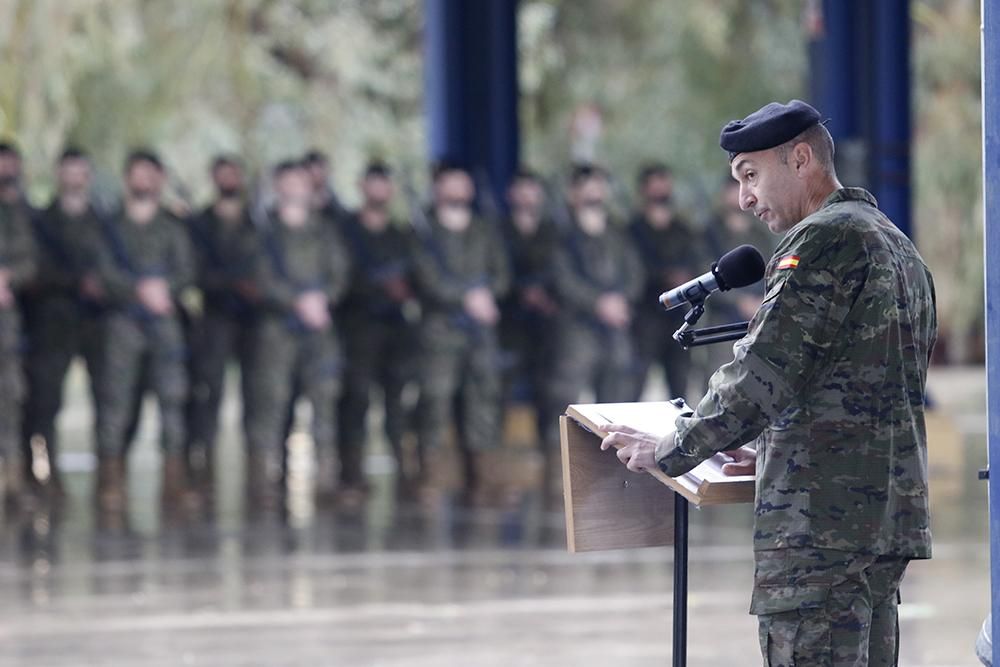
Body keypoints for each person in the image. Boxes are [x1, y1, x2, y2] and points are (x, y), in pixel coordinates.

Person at [600, 100, 936, 665]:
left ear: (801, 159)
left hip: (820, 528)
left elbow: (761, 373)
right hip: (881, 519)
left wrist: (669, 448)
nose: (744, 198)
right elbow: (862, 384)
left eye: (751, 175)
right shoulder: (896, 245)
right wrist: (775, 446)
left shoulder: (823, 241)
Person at [93, 149, 196, 513]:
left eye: (151, 174)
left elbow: (186, 270)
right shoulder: (110, 226)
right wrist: (138, 290)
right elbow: (103, 272)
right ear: (127, 179)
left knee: (172, 399)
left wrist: (164, 290)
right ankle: (110, 480)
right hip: (123, 323)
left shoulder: (172, 227)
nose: (145, 181)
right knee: (116, 402)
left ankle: (175, 482)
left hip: (164, 325)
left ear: (160, 180)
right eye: (138, 174)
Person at [243, 160, 349, 510]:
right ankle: (265, 484)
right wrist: (296, 301)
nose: (294, 188)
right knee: (271, 406)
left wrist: (322, 299)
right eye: (287, 182)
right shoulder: (263, 232)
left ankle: (327, 482)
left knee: (325, 403)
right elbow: (259, 277)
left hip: (320, 331)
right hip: (277, 331)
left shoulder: (325, 232)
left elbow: (339, 274)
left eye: (300, 181)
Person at [410, 162, 510, 505]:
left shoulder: (484, 229)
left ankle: (483, 482)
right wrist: (466, 297)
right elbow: (425, 278)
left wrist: (486, 295)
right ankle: (431, 479)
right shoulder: (423, 231)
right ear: (437, 188)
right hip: (440, 332)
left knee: (483, 401)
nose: (458, 190)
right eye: (451, 183)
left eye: (462, 183)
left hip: (480, 333)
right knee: (435, 402)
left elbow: (501, 274)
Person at [542, 163, 643, 496]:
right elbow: (561, 278)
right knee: (565, 397)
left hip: (614, 329)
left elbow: (634, 272)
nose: (595, 193)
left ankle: (613, 473)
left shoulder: (616, 230)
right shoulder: (559, 232)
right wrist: (598, 303)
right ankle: (559, 472)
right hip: (577, 330)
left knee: (616, 399)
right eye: (587, 186)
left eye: (600, 185)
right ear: (573, 193)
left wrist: (620, 300)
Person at [21, 148, 105, 500]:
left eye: (80, 172)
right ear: (59, 175)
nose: (75, 178)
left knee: (108, 397)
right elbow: (32, 269)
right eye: (68, 171)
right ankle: (42, 471)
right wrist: (72, 283)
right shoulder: (41, 222)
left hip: (96, 321)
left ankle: (107, 475)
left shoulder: (104, 224)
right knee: (45, 400)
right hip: (52, 320)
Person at [335, 161, 418, 504]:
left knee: (396, 403)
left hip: (395, 331)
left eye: (386, 184)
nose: (380, 190)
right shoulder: (345, 231)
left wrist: (404, 290)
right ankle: (350, 477)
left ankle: (404, 475)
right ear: (361, 187)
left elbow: (418, 277)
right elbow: (338, 278)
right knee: (355, 401)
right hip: (357, 327)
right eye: (374, 183)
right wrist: (376, 287)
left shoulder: (402, 236)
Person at [183, 155, 259, 498]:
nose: (229, 179)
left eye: (234, 173)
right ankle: (202, 465)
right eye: (223, 173)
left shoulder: (258, 224)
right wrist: (230, 284)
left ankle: (258, 471)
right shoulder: (200, 224)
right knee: (207, 393)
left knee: (257, 396)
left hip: (253, 322)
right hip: (215, 319)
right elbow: (192, 271)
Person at [627, 162, 703, 402]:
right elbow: (632, 268)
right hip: (645, 316)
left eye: (665, 188)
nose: (661, 194)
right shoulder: (632, 230)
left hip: (679, 317)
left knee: (680, 386)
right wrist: (663, 276)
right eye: (655, 188)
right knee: (634, 384)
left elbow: (696, 262)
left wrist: (684, 277)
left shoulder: (682, 230)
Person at [497, 168, 559, 444]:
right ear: (511, 194)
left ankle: (552, 462)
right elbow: (494, 271)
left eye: (532, 190)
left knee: (551, 392)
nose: (527, 196)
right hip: (508, 322)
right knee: (501, 391)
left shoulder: (553, 231)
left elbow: (562, 270)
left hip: (547, 322)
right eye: (521, 190)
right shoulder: (497, 229)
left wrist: (544, 296)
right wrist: (520, 291)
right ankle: (502, 465)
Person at [0, 142, 37, 506]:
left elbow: (31, 261)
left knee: (10, 396)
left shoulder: (19, 215)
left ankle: (12, 480)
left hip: (8, 323)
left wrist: (7, 279)